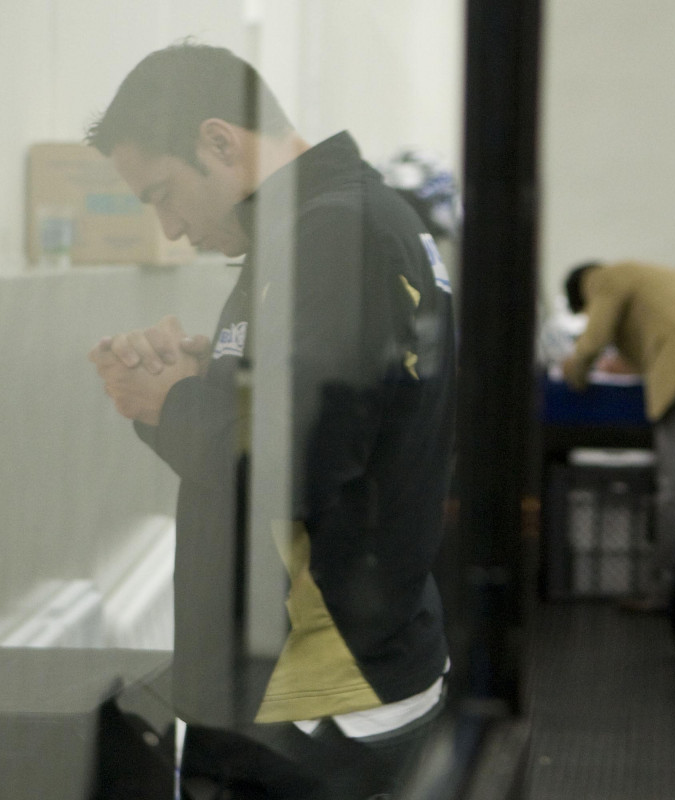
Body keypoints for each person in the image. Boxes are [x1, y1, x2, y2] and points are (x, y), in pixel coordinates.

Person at [86, 42, 456, 798]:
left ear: (219, 140)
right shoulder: (330, 225)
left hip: (318, 695)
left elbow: (300, 456)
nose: (172, 228)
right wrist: (210, 380)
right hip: (322, 675)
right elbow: (332, 409)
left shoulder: (332, 233)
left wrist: (169, 403)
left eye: (163, 194)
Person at [561, 261, 675, 611]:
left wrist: (573, 371)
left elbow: (594, 338)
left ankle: (669, 592)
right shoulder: (648, 276)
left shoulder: (603, 279)